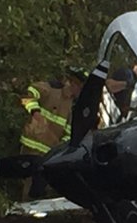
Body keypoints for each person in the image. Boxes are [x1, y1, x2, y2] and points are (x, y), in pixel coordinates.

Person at [18, 66, 86, 199]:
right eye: (81, 87)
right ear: (74, 83)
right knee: (28, 184)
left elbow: (68, 131)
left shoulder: (71, 106)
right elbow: (28, 94)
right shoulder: (51, 89)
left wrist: (62, 147)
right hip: (31, 146)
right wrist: (35, 112)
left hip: (48, 154)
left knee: (41, 189)